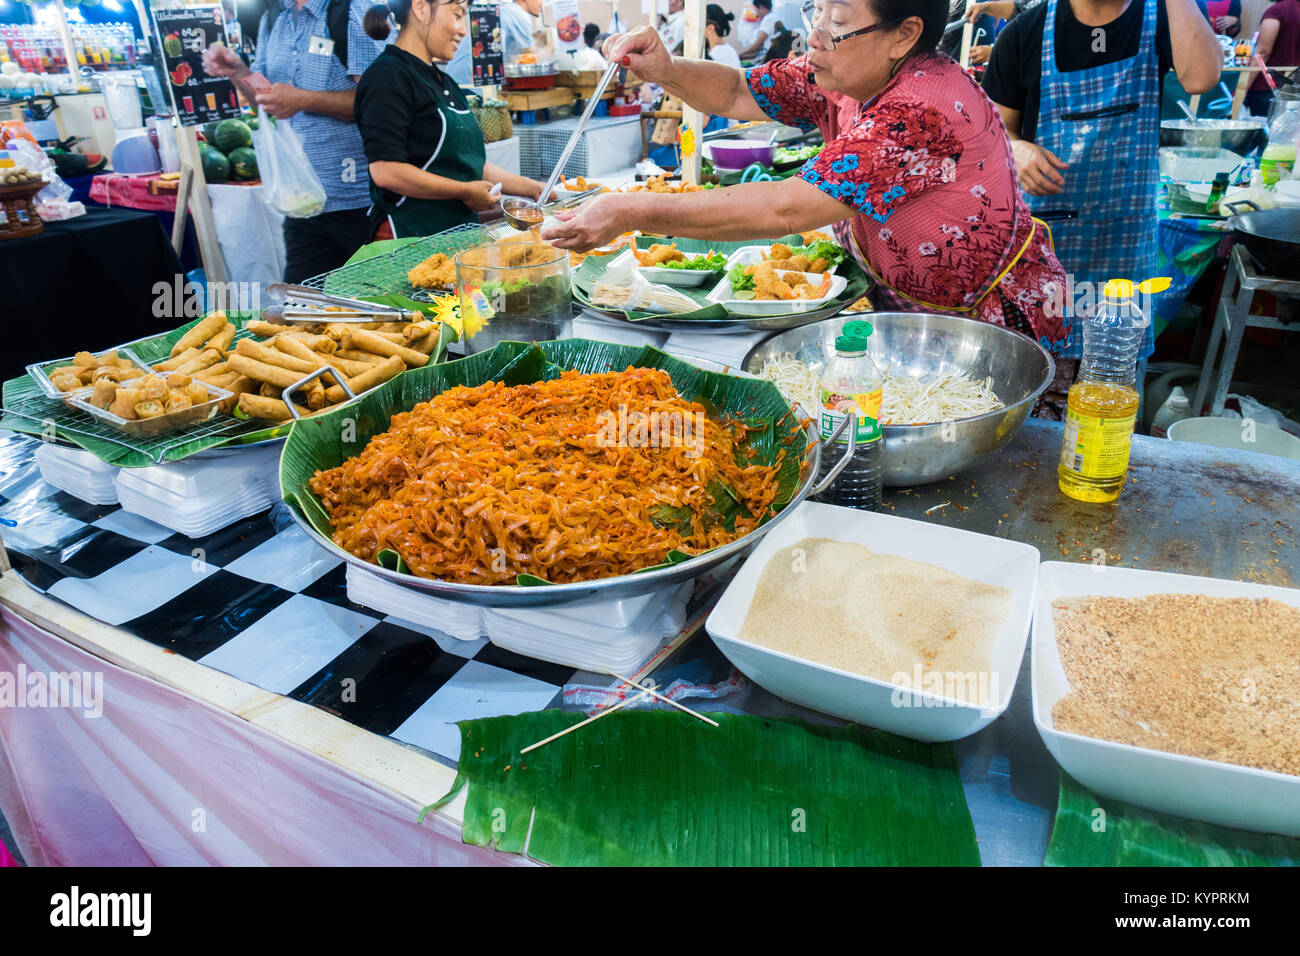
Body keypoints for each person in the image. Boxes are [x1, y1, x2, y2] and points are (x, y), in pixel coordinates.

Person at [543, 3, 1073, 351]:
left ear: (904, 34)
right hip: (908, 309)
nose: (814, 38)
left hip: (985, 326)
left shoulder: (922, 110)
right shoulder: (845, 71)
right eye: (815, 11)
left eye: (837, 25)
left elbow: (786, 208)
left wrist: (630, 212)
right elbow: (735, 93)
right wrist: (668, 70)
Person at [982, 0, 1220, 371]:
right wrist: (1017, 149)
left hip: (1123, 242)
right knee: (1036, 369)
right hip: (1047, 247)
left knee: (1111, 378)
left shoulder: (1163, 17)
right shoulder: (1024, 33)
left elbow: (1201, 78)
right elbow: (990, 133)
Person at [202, 0, 387, 282]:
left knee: (379, 303)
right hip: (302, 200)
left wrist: (303, 100)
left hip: (358, 200)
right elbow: (264, 100)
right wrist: (237, 71)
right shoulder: (274, 18)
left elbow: (378, 101)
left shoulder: (354, 10)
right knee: (301, 310)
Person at [354, 0, 548, 238]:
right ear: (420, 7)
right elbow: (386, 170)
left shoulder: (444, 82)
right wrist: (464, 191)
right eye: (457, 16)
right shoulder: (387, 77)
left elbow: (470, 165)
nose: (464, 30)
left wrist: (535, 188)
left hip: (455, 234)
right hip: (409, 238)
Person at [1246, 0, 1300, 117]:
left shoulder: (1277, 11)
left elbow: (1263, 52)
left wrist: (1242, 88)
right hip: (1295, 89)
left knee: (1267, 133)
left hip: (1268, 88)